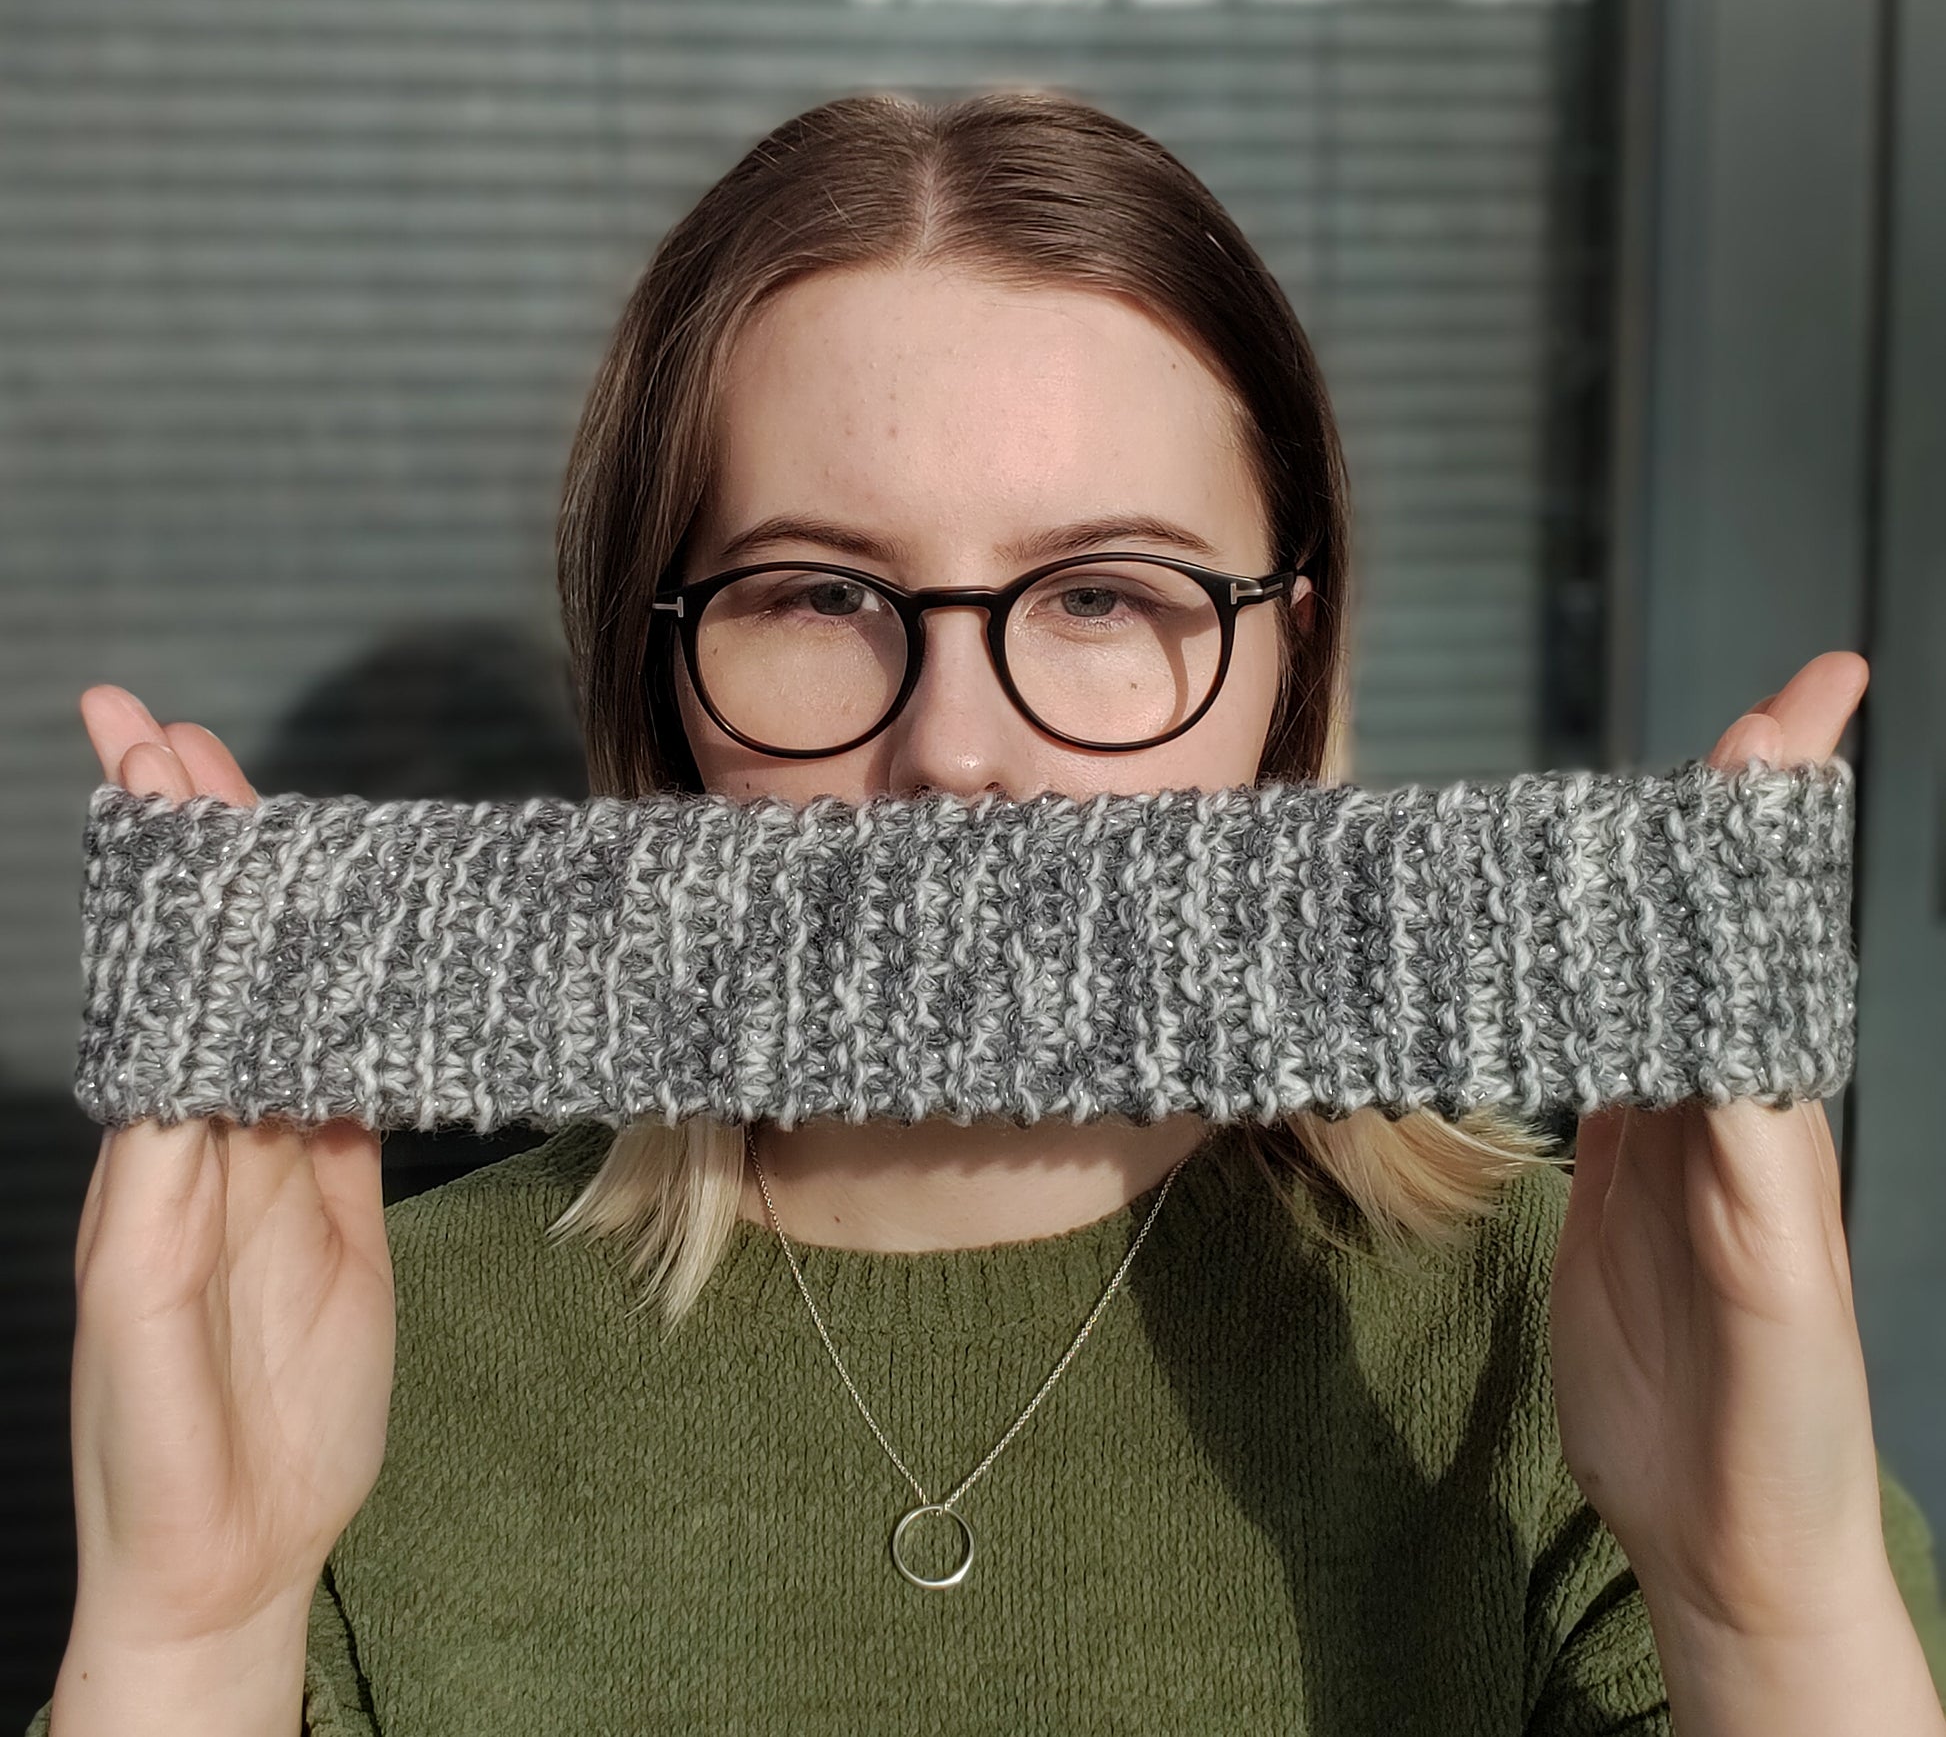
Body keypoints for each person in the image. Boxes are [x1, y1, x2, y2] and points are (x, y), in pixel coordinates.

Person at [32, 90, 1946, 1735]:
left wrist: (1763, 1602)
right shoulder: (360, 1372)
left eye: (1102, 595)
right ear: (661, 682)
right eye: (816, 595)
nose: (956, 751)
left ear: (1289, 663)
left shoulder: (1583, 1345)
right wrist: (187, 1633)